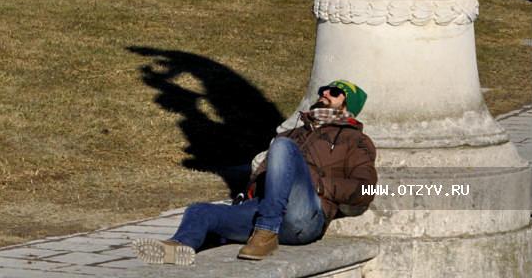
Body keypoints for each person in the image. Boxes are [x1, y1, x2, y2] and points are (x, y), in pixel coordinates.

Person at [133, 79, 377, 266]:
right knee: (200, 210)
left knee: (282, 147)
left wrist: (320, 185)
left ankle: (266, 233)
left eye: (334, 93)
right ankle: (178, 247)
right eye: (323, 89)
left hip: (305, 217)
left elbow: (367, 189)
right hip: (264, 208)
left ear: (348, 105)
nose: (324, 93)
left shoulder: (354, 140)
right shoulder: (294, 132)